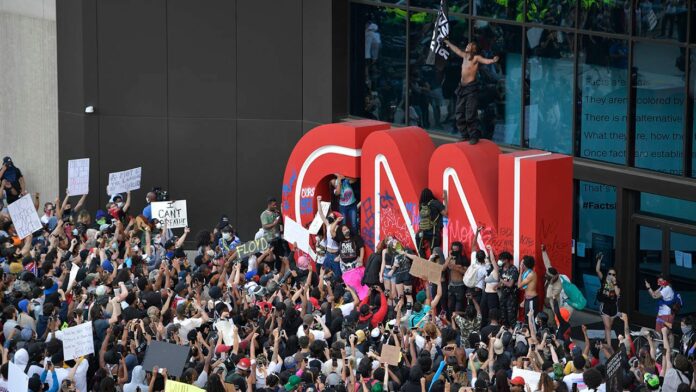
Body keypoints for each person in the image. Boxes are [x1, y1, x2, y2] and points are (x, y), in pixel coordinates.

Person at [442, 40, 499, 144]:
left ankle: (474, 136)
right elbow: (456, 50)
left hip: (471, 89)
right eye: (467, 45)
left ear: (474, 49)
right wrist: (448, 42)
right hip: (462, 87)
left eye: (469, 46)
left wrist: (492, 60)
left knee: (470, 114)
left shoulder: (475, 58)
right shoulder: (464, 56)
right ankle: (464, 135)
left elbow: (485, 61)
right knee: (459, 113)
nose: (467, 47)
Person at [595, 252, 620, 346]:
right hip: (604, 306)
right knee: (608, 326)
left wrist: (614, 283)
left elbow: (618, 293)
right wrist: (599, 260)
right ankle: (609, 346)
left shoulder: (617, 283)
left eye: (613, 274)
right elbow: (598, 270)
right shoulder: (604, 279)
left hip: (613, 307)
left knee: (609, 326)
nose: (611, 276)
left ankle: (606, 340)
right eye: (610, 274)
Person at [416, 188, 446, 257]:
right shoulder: (435, 203)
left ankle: (422, 257)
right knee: (434, 253)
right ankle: (433, 265)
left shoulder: (421, 205)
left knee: (417, 237)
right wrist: (445, 199)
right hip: (434, 232)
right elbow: (445, 213)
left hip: (423, 231)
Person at [497, 251, 518, 327]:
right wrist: (497, 285)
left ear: (506, 260)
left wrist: (501, 280)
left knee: (511, 317)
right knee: (503, 317)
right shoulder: (501, 269)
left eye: (501, 259)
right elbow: (502, 283)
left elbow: (510, 284)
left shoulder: (513, 269)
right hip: (503, 296)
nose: (500, 261)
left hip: (511, 298)